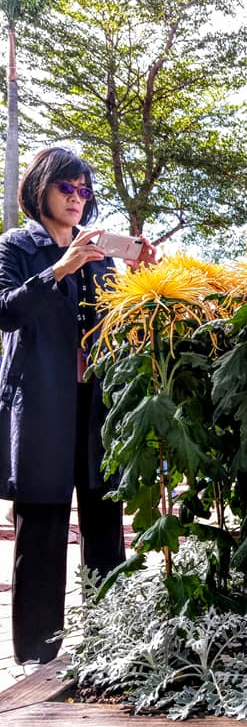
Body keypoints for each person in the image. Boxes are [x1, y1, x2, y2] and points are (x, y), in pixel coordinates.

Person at [0, 146, 158, 667]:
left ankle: (111, 641)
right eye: (66, 188)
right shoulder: (16, 248)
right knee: (42, 531)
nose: (76, 197)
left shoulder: (100, 255)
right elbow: (5, 312)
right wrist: (60, 269)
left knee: (105, 523)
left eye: (83, 190)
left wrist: (143, 277)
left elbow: (122, 322)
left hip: (98, 406)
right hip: (42, 405)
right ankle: (36, 660)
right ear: (39, 189)